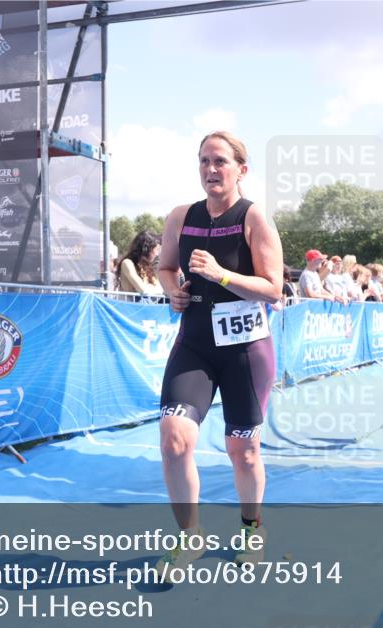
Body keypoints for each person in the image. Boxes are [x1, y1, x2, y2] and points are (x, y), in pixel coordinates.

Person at [155, 131, 283, 576]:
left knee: (242, 451)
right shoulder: (180, 217)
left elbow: (274, 289)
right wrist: (173, 292)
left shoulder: (254, 219)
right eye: (204, 161)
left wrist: (222, 275)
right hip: (195, 344)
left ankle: (252, 528)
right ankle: (189, 537)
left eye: (221, 162)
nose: (211, 169)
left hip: (245, 349)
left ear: (240, 170)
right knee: (173, 440)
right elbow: (166, 268)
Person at [115, 230, 163, 295]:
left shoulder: (148, 267)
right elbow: (143, 290)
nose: (157, 254)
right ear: (146, 249)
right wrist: (153, 289)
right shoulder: (127, 263)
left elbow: (160, 289)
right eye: (156, 250)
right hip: (128, 304)